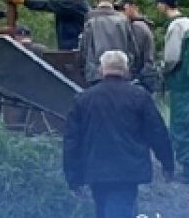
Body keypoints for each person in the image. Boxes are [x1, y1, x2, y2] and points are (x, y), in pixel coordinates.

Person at [62, 50, 174, 218]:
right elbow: (157, 133)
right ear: (126, 70)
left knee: (103, 208)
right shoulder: (139, 97)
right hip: (128, 168)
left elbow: (72, 141)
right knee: (120, 208)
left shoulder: (84, 99)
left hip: (95, 168)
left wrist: (73, 177)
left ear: (101, 70)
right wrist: (167, 164)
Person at [155, 0, 189, 182]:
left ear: (162, 4)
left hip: (183, 82)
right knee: (185, 125)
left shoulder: (176, 26)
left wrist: (162, 72)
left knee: (177, 128)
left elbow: (172, 58)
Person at [9, 0, 89, 51]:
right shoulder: (77, 1)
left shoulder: (73, 1)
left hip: (73, 50)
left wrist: (24, 0)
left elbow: (47, 4)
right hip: (74, 49)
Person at [80, 0, 138, 86]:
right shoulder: (123, 20)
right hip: (122, 73)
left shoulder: (90, 21)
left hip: (96, 75)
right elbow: (132, 49)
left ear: (96, 0)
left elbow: (84, 50)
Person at [115, 0, 159, 94]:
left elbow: (135, 54)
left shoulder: (137, 26)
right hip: (147, 74)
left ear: (133, 8)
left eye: (123, 9)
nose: (120, 13)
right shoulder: (140, 24)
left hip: (142, 76)